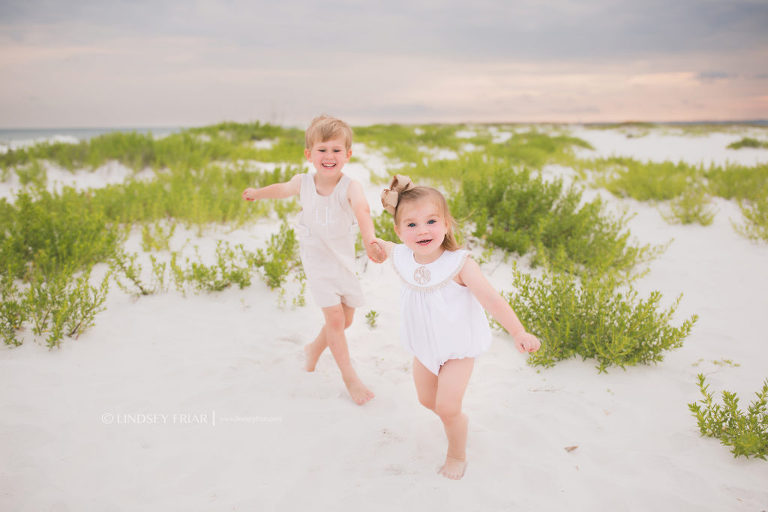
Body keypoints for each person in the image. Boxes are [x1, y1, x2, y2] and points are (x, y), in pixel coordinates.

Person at [372, 175, 541, 479]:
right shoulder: (402, 255)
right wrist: (375, 247)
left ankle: (456, 453)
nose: (422, 230)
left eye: (431, 221)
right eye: (411, 225)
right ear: (399, 230)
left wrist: (518, 331)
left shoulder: (460, 264)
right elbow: (381, 246)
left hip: (457, 348)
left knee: (448, 407)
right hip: (423, 346)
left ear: (447, 224)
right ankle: (454, 422)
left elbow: (491, 299)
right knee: (427, 401)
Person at [242, 115, 385, 406]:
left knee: (346, 319)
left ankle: (313, 350)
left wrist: (370, 240)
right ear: (309, 155)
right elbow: (281, 189)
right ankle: (350, 379)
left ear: (348, 155)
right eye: (322, 150)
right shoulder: (303, 182)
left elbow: (363, 211)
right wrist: (257, 194)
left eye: (336, 150)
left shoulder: (351, 186)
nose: (329, 156)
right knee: (334, 318)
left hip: (342, 260)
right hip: (316, 259)